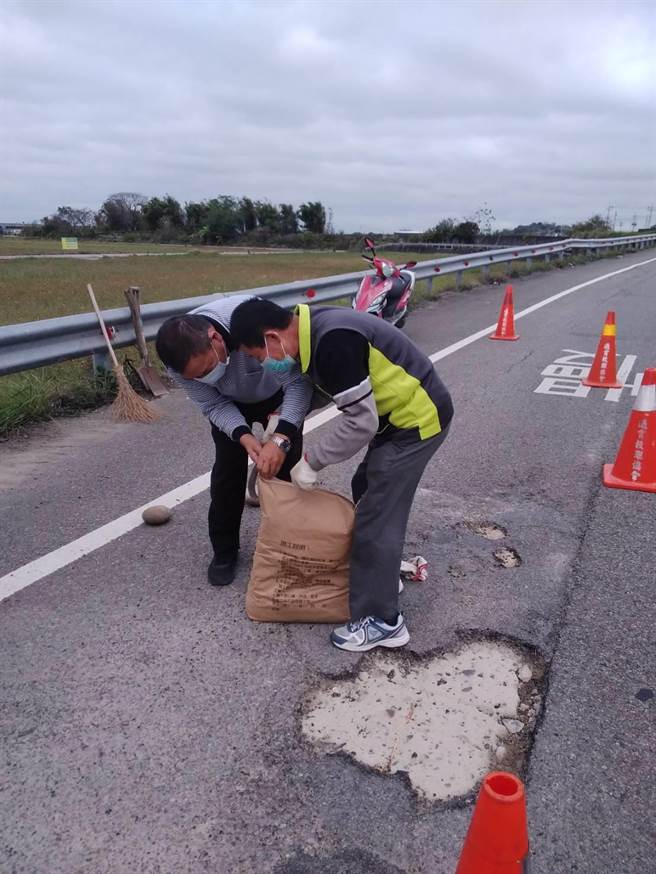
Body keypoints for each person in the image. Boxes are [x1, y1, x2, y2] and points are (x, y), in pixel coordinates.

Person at [230, 298, 454, 652]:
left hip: (415, 421)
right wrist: (280, 419)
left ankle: (383, 621)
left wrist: (312, 461)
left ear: (272, 337)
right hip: (394, 420)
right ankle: (382, 573)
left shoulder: (333, 339)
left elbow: (360, 421)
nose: (266, 363)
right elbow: (331, 386)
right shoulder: (310, 328)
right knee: (363, 487)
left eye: (259, 356)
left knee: (375, 516)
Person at [155, 295, 313, 586]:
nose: (205, 378)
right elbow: (213, 405)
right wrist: (243, 437)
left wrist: (281, 436)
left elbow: (297, 383)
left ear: (215, 338)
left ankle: (290, 545)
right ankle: (225, 551)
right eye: (197, 377)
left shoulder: (251, 325)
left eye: (206, 370)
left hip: (277, 395)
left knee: (286, 469)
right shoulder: (179, 365)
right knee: (228, 473)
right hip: (228, 403)